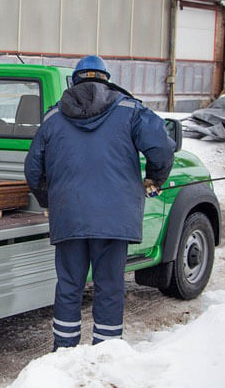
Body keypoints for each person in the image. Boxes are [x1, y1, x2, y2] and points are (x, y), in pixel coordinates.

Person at [24, 55, 175, 350]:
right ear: (106, 78)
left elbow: (33, 168)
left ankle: (64, 352)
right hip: (114, 218)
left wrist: (48, 199)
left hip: (69, 216)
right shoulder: (130, 110)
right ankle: (106, 351)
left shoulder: (53, 117)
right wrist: (155, 178)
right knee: (109, 286)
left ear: (75, 80)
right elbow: (160, 145)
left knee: (69, 286)